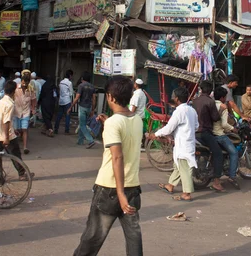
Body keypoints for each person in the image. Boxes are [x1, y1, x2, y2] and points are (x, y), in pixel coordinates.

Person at [73, 76, 143, 256]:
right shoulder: (136, 120)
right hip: (132, 187)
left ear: (110, 97)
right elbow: (125, 138)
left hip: (110, 188)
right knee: (134, 237)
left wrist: (120, 193)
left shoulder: (114, 122)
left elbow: (117, 157)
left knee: (92, 238)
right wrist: (107, 124)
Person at [151, 87, 198, 201]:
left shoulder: (179, 111)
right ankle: (170, 186)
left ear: (176, 99)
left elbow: (169, 128)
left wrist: (156, 134)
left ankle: (186, 194)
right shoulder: (192, 110)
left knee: (185, 168)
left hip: (184, 145)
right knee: (178, 166)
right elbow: (196, 126)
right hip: (188, 142)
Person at [0, 80, 33, 180]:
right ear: (13, 92)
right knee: (16, 153)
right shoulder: (9, 104)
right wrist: (6, 137)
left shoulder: (1, 102)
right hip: (6, 134)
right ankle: (22, 174)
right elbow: (6, 121)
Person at [192, 80, 225, 192]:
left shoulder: (195, 101)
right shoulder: (210, 102)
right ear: (210, 91)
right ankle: (216, 182)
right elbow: (215, 118)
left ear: (201, 89)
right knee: (219, 154)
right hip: (205, 132)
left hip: (195, 133)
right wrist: (221, 110)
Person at [213, 86, 240, 190]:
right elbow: (224, 124)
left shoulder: (211, 104)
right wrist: (233, 129)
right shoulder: (222, 106)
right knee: (234, 153)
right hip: (220, 135)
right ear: (222, 97)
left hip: (211, 134)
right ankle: (232, 176)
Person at [68, 72, 96, 148]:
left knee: (82, 125)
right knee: (82, 124)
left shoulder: (81, 86)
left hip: (82, 107)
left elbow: (77, 98)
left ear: (82, 78)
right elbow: (94, 99)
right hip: (89, 107)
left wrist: (71, 106)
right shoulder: (92, 87)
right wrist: (93, 109)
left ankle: (91, 140)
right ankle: (80, 141)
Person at [14, 70, 37, 155]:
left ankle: (25, 147)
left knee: (24, 130)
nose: (24, 85)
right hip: (16, 112)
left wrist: (33, 108)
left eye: (26, 83)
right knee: (16, 130)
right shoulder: (16, 88)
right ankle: (15, 148)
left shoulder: (31, 89)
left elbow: (34, 100)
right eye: (23, 83)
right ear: (21, 81)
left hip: (26, 112)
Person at [55, 70, 74, 134]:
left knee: (59, 115)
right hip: (67, 101)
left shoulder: (61, 82)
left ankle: (56, 129)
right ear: (70, 76)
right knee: (67, 116)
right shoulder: (69, 83)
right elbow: (71, 93)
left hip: (61, 100)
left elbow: (59, 91)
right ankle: (66, 130)